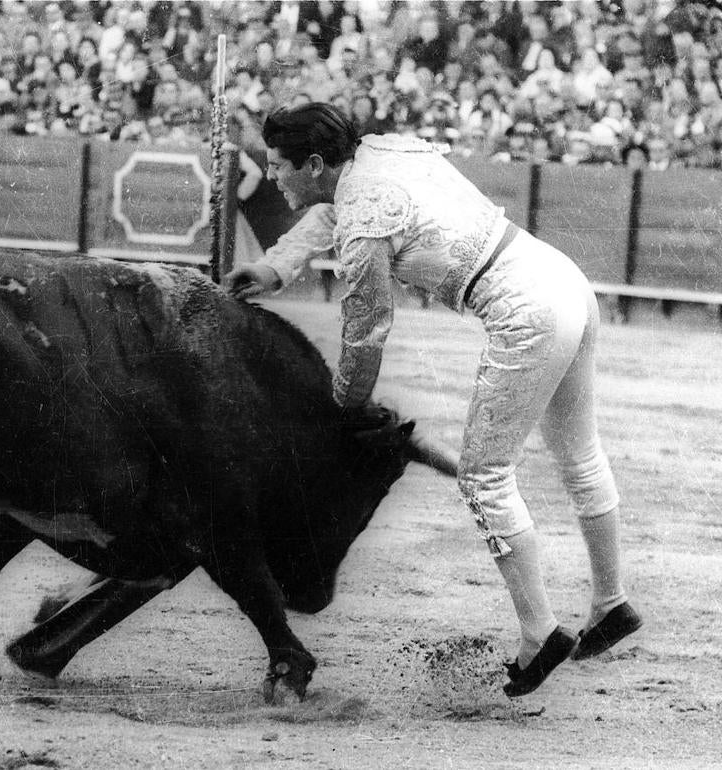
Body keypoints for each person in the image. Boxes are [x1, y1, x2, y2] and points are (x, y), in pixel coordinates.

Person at [225, 102, 642, 697]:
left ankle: (540, 633)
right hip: (563, 280)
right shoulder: (382, 153)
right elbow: (335, 212)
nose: (273, 176)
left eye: (279, 165)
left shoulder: (365, 220)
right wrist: (274, 267)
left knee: (484, 477)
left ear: (315, 163)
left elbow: (366, 328)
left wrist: (343, 404)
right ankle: (611, 603)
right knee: (579, 455)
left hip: (527, 312)